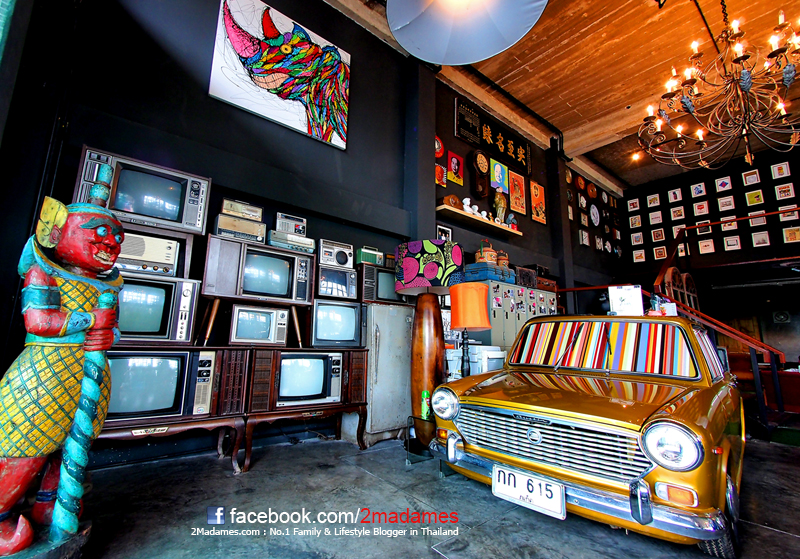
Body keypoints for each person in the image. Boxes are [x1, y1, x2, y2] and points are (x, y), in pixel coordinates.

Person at [0, 191, 123, 554]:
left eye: (117, 238)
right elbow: (38, 321)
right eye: (100, 232)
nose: (111, 244)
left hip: (89, 375)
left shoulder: (107, 287)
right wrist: (91, 320)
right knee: (26, 445)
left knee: (71, 448)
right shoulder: (44, 272)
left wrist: (107, 332)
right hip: (45, 373)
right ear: (57, 233)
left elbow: (113, 330)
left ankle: (51, 504)